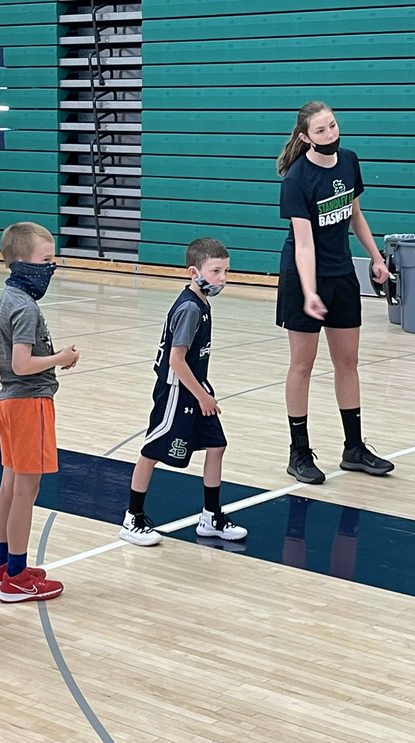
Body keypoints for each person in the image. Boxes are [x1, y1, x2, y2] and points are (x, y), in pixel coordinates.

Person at [276, 101, 394, 484]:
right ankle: (298, 453)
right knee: (302, 365)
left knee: (348, 363)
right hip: (305, 278)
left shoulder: (349, 161)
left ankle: (354, 448)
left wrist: (376, 258)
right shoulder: (297, 179)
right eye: (321, 131)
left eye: (333, 127)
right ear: (305, 137)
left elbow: (354, 214)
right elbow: (304, 244)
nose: (330, 135)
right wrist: (310, 292)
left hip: (342, 274)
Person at [120, 238, 248, 547]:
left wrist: (203, 392)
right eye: (216, 271)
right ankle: (132, 518)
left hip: (196, 388)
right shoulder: (190, 307)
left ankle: (211, 516)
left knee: (217, 446)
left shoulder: (201, 302)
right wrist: (202, 396)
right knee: (151, 451)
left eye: (225, 271)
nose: (222, 279)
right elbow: (176, 360)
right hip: (177, 392)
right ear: (194, 272)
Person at [0, 222, 80, 602]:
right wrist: (61, 358)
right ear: (22, 262)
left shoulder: (7, 299)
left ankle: (1, 566)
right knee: (27, 490)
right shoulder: (25, 308)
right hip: (28, 402)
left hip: (9, 402)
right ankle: (16, 577)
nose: (51, 268)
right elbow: (22, 363)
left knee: (9, 486)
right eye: (46, 260)